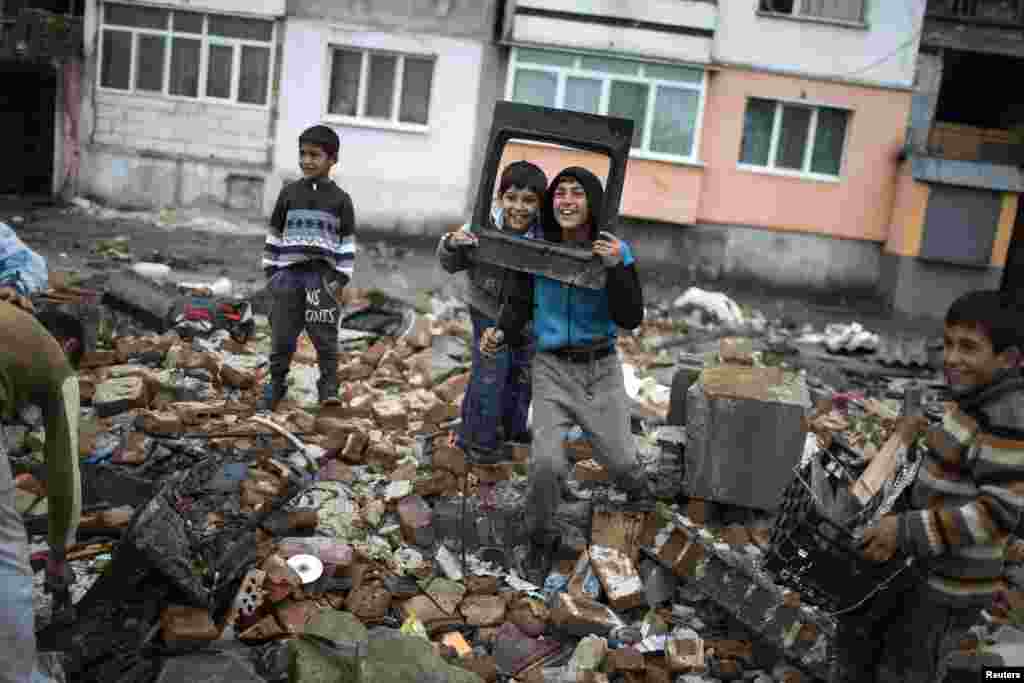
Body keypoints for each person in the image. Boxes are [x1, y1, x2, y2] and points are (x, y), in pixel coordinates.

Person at [832, 290, 1024, 682]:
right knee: (892, 658)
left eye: (969, 347)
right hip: (925, 572)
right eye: (949, 343)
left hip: (951, 590)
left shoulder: (1005, 420)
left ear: (1008, 359)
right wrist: (915, 440)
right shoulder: (971, 403)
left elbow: (996, 514)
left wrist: (903, 529)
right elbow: (956, 468)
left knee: (916, 670)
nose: (952, 357)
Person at [482, 166, 653, 583]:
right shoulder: (538, 248)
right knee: (545, 465)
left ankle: (648, 515)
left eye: (577, 193)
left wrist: (617, 268)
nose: (567, 201)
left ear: (593, 203)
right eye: (560, 193)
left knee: (625, 464)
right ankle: (540, 539)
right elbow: (520, 303)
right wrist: (499, 332)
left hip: (601, 369)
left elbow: (631, 317)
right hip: (553, 368)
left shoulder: (613, 249)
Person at [437, 160, 548, 462]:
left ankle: (511, 431)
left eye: (529, 201)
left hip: (526, 313)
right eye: (511, 198)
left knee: (522, 370)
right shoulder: (482, 223)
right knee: (491, 366)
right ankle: (479, 440)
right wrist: (452, 244)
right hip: (486, 305)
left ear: (540, 205)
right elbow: (450, 262)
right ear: (500, 198)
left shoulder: (542, 235)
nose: (519, 207)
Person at [0, 300, 82, 683]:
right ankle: (17, 675)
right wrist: (59, 553)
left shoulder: (11, 317)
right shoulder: (57, 362)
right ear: (67, 346)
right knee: (6, 548)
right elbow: (65, 472)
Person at [260, 125, 356, 411]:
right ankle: (276, 383)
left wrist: (340, 278)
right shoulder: (289, 193)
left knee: (325, 337)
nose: (307, 161)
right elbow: (274, 233)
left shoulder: (341, 200)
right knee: (282, 335)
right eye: (302, 154)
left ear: (332, 159)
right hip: (288, 276)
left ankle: (328, 386)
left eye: (315, 155)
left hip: (321, 278)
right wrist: (271, 271)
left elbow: (347, 243)